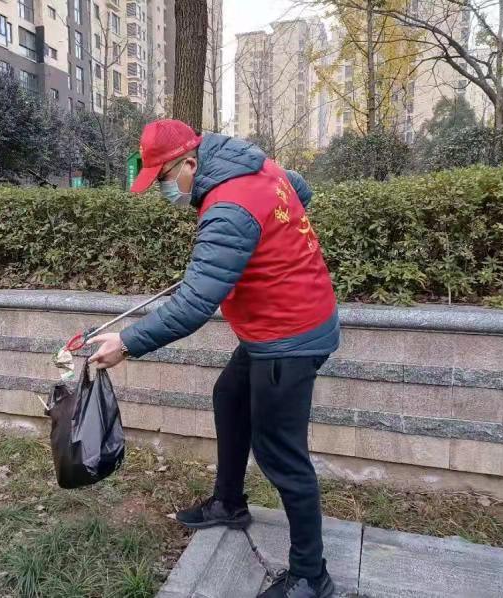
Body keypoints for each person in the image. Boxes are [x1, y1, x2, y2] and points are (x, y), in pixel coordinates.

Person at [88, 119, 339, 598]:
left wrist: (127, 342)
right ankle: (229, 503)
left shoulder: (228, 205)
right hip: (282, 324)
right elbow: (300, 190)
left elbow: (192, 306)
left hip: (290, 336)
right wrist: (265, 244)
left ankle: (311, 576)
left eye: (164, 179)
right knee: (230, 396)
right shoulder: (251, 164)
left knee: (282, 455)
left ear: (189, 163)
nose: (165, 191)